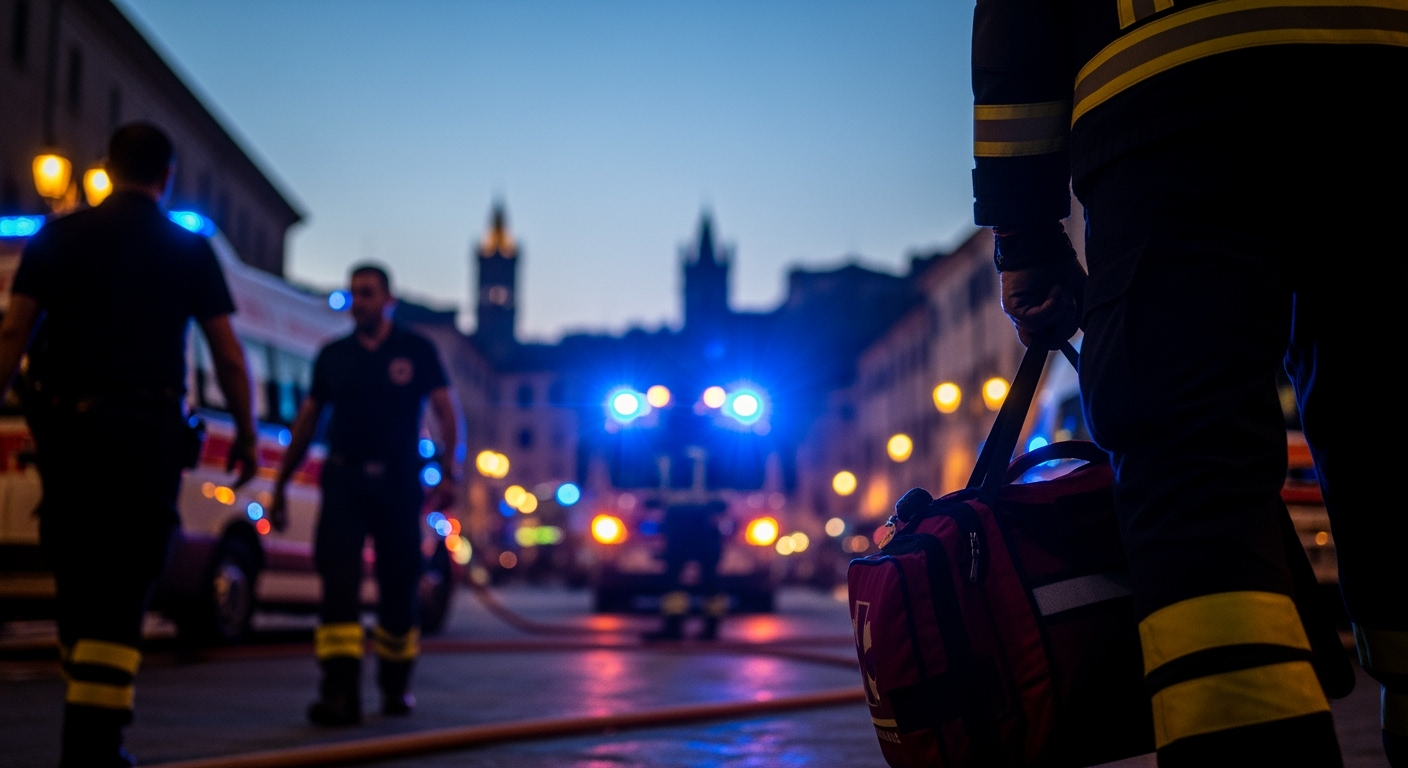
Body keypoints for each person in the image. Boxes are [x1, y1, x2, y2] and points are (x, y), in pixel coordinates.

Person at [972, 2, 1408, 765]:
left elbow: (1019, 24)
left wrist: (1026, 234)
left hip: (1170, 110)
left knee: (1192, 484)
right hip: (1384, 79)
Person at [0, 123, 257, 767]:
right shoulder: (188, 249)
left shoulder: (57, 237)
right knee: (124, 585)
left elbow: (12, 335)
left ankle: (88, 733)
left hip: (69, 435)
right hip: (144, 437)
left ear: (107, 168)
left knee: (79, 576)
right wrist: (248, 434)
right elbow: (228, 354)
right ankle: (94, 747)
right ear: (167, 176)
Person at [269, 263, 458, 726]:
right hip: (345, 480)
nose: (359, 302)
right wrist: (281, 481)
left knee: (399, 584)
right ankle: (339, 691)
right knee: (338, 583)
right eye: (354, 293)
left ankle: (395, 685)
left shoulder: (416, 350)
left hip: (398, 483)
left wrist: (450, 473)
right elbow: (308, 419)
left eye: (368, 293)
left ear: (388, 300)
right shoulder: (334, 355)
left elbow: (446, 412)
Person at [643, 500, 729, 642]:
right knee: (709, 583)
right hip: (705, 531)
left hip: (684, 532)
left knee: (675, 582)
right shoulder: (705, 511)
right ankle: (710, 628)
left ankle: (674, 627)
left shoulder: (673, 514)